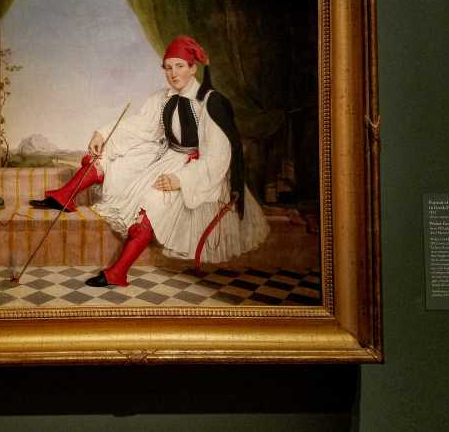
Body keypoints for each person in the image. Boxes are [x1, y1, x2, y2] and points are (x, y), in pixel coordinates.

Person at [29, 36, 269, 286]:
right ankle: (65, 196)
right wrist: (103, 134)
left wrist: (181, 179)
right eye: (168, 67)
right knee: (114, 164)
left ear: (193, 68)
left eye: (180, 66)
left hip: (196, 171)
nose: (173, 74)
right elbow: (141, 127)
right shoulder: (163, 98)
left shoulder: (209, 102)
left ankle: (118, 273)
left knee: (152, 203)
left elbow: (218, 155)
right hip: (167, 156)